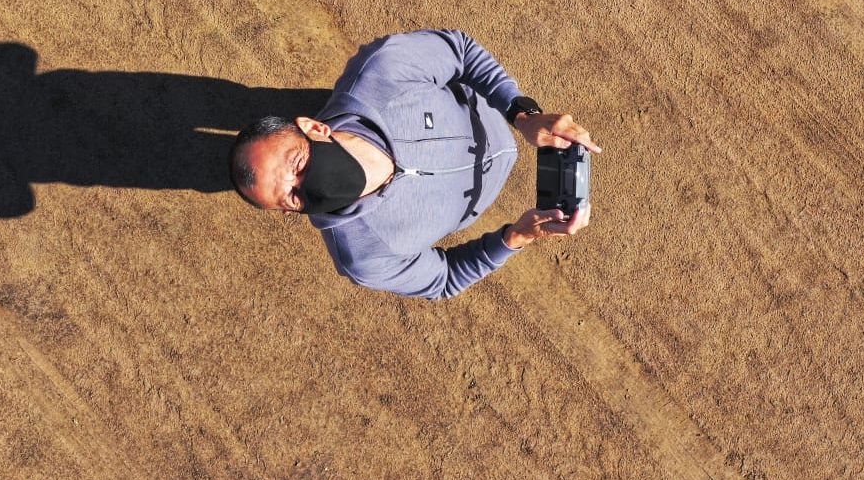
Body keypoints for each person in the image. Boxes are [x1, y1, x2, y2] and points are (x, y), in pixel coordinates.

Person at [227, 29, 602, 300]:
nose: (306, 186)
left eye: (299, 162)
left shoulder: (381, 72)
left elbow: (462, 53)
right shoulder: (365, 258)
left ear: (314, 128)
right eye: (291, 197)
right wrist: (515, 238)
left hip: (486, 111)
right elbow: (444, 279)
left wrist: (521, 113)